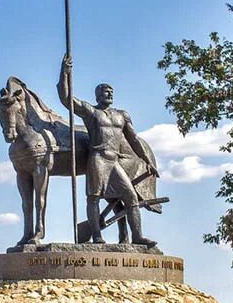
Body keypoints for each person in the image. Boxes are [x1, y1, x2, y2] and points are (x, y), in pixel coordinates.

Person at [57, 54, 159, 245]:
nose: (109, 93)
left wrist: (147, 160)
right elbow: (66, 99)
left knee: (129, 196)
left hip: (114, 161)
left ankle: (137, 237)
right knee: (93, 198)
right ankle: (97, 236)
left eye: (111, 91)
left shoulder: (122, 116)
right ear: (97, 95)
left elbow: (134, 140)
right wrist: (65, 72)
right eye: (105, 91)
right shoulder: (91, 112)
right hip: (98, 158)